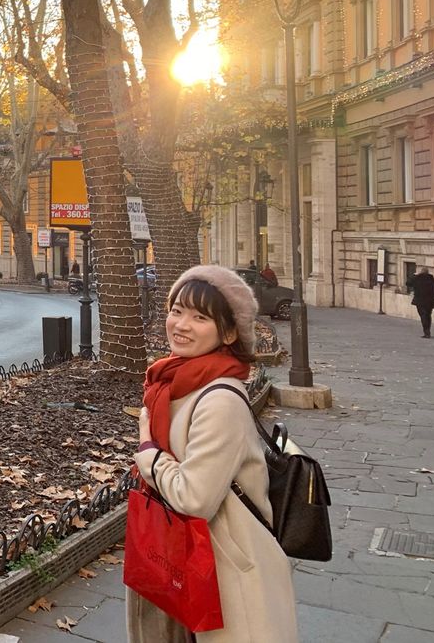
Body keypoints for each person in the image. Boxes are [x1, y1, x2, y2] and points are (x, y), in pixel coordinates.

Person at [128, 265, 298, 643]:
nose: (182, 325)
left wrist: (149, 451)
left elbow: (195, 499)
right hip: (183, 562)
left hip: (227, 575)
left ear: (230, 333)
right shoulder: (173, 382)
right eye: (177, 311)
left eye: (200, 317)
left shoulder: (219, 399)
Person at [407, 267, 434, 338]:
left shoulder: (416, 279)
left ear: (421, 272)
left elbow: (408, 283)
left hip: (420, 301)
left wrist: (414, 275)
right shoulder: (433, 280)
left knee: (423, 316)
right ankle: (427, 330)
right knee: (428, 316)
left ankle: (426, 332)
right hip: (430, 301)